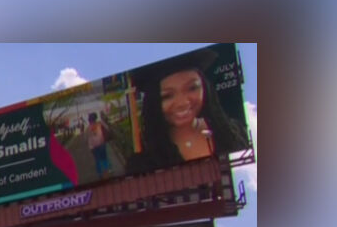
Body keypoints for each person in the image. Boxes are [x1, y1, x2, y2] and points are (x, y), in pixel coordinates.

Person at [126, 47, 249, 175]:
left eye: (192, 88)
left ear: (205, 88)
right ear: (154, 103)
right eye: (167, 96)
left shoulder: (234, 133)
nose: (183, 103)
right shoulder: (144, 165)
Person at [86, 112, 111, 178]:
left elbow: (86, 137)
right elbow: (108, 128)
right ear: (95, 118)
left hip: (93, 147)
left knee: (97, 160)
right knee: (104, 158)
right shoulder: (100, 123)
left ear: (89, 120)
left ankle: (100, 174)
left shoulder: (88, 128)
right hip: (101, 143)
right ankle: (106, 171)